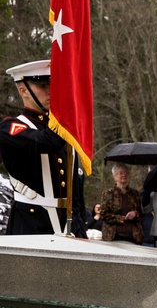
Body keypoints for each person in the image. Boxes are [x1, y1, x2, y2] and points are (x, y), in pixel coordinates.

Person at [0, 59, 85, 236]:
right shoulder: (11, 127)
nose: (50, 92)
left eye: (52, 86)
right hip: (30, 227)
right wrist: (66, 109)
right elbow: (47, 142)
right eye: (43, 86)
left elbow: (75, 194)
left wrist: (79, 227)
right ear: (23, 90)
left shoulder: (62, 131)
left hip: (67, 228)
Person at [100, 163, 143, 243]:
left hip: (133, 237)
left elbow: (141, 212)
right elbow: (103, 214)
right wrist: (120, 218)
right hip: (113, 236)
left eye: (126, 173)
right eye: (121, 173)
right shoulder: (108, 194)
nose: (124, 175)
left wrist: (135, 214)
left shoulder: (135, 194)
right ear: (114, 176)